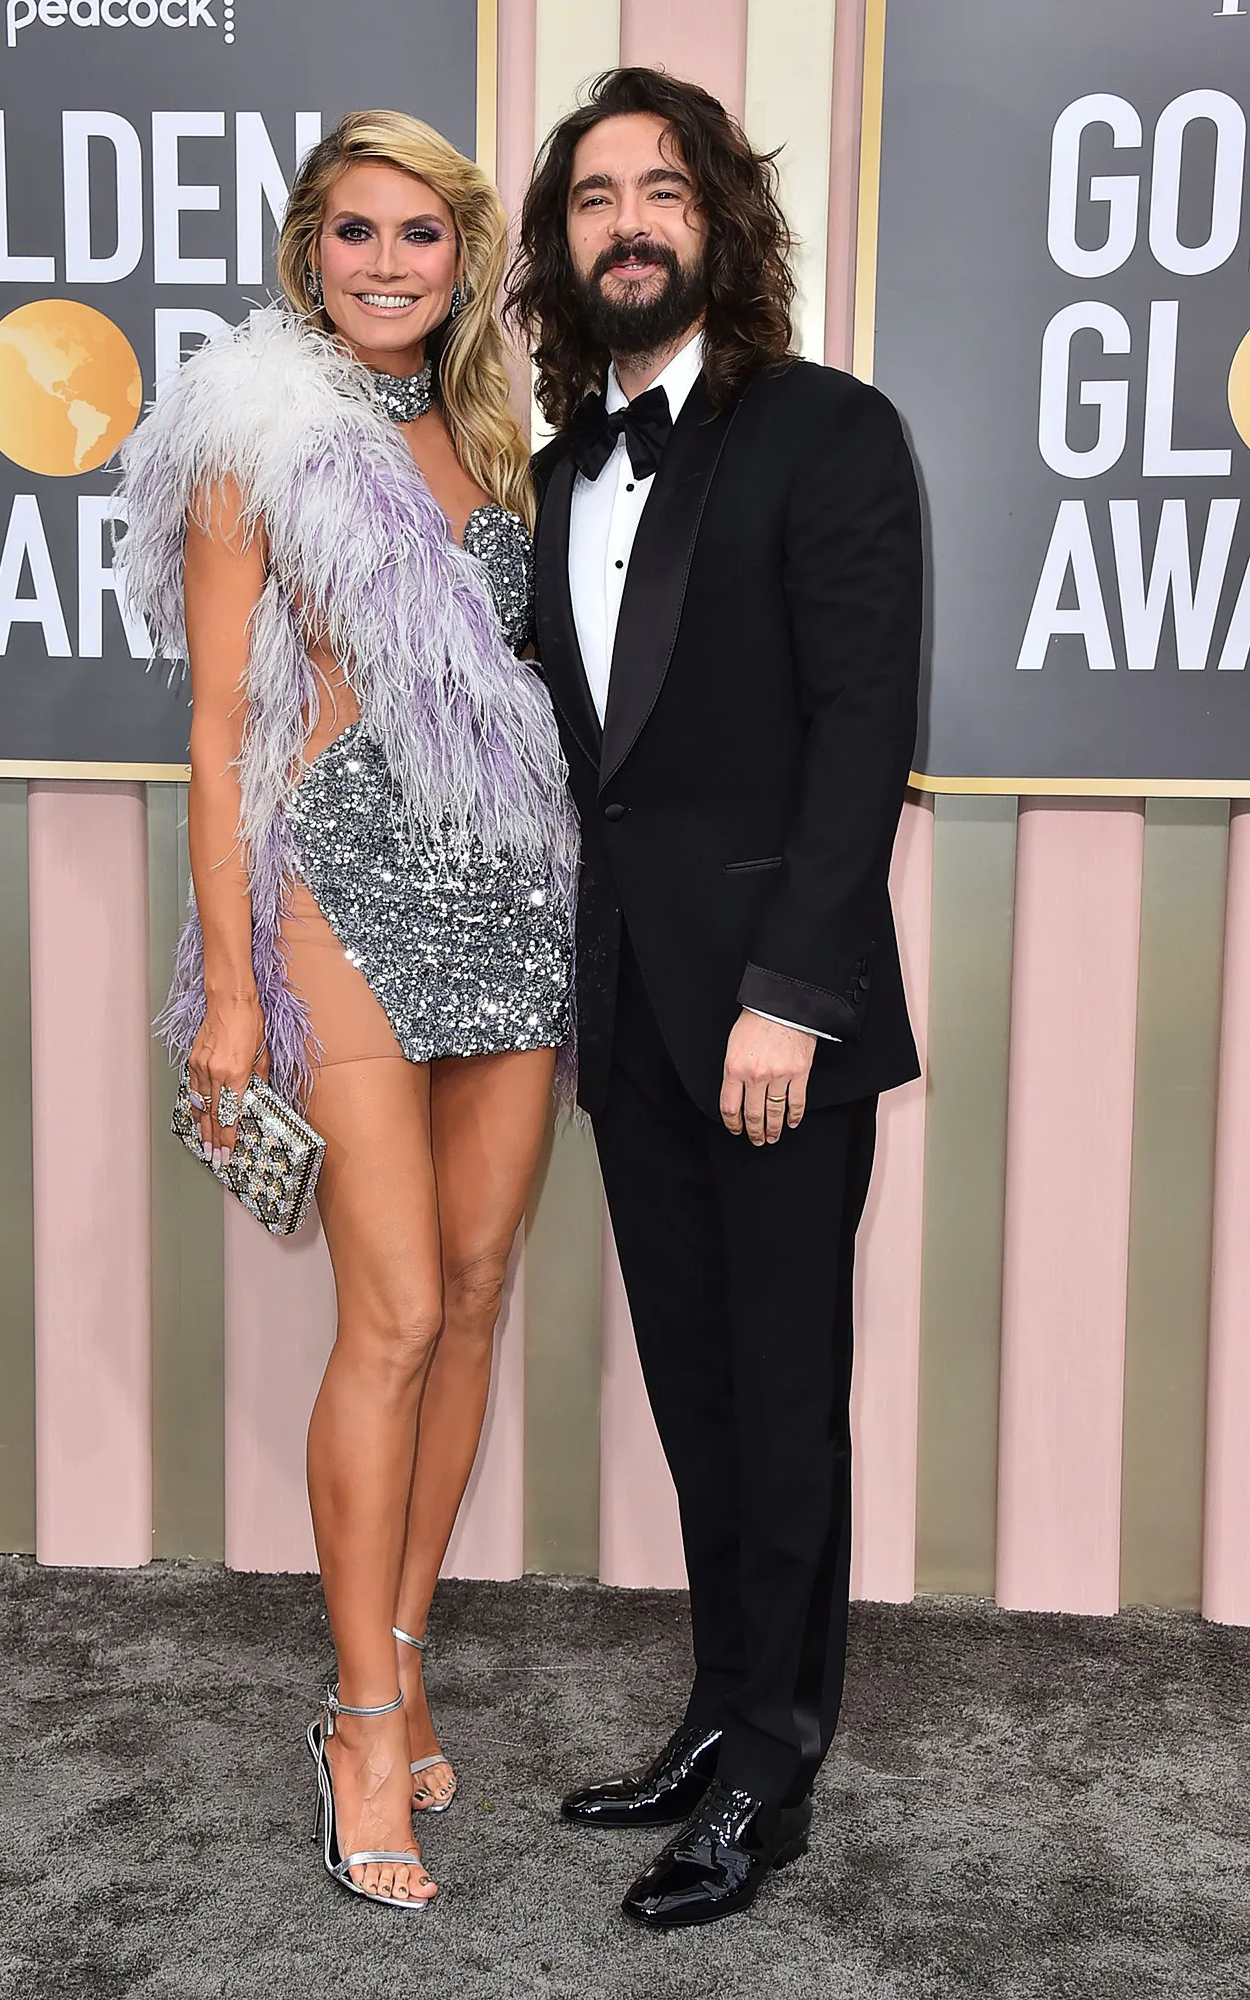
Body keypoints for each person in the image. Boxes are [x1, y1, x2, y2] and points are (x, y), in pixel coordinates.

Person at [118, 110, 576, 1913]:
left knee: (471, 1297)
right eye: (355, 235)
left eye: (421, 237)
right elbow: (219, 730)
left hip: (509, 904)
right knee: (385, 1313)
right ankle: (362, 1721)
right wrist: (230, 986)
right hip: (336, 904)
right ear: (310, 250)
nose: (388, 265)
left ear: (461, 257)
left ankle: (401, 1635)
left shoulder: (493, 431)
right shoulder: (259, 437)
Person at [508, 67, 923, 1929]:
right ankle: (716, 1710)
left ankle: (777, 1764)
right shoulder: (555, 468)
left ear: (719, 223)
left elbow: (862, 740)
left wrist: (792, 994)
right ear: (560, 244)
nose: (626, 223)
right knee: (696, 1394)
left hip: (771, 1020)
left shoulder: (826, 433)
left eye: (659, 189)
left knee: (785, 1393)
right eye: (592, 197)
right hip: (630, 1021)